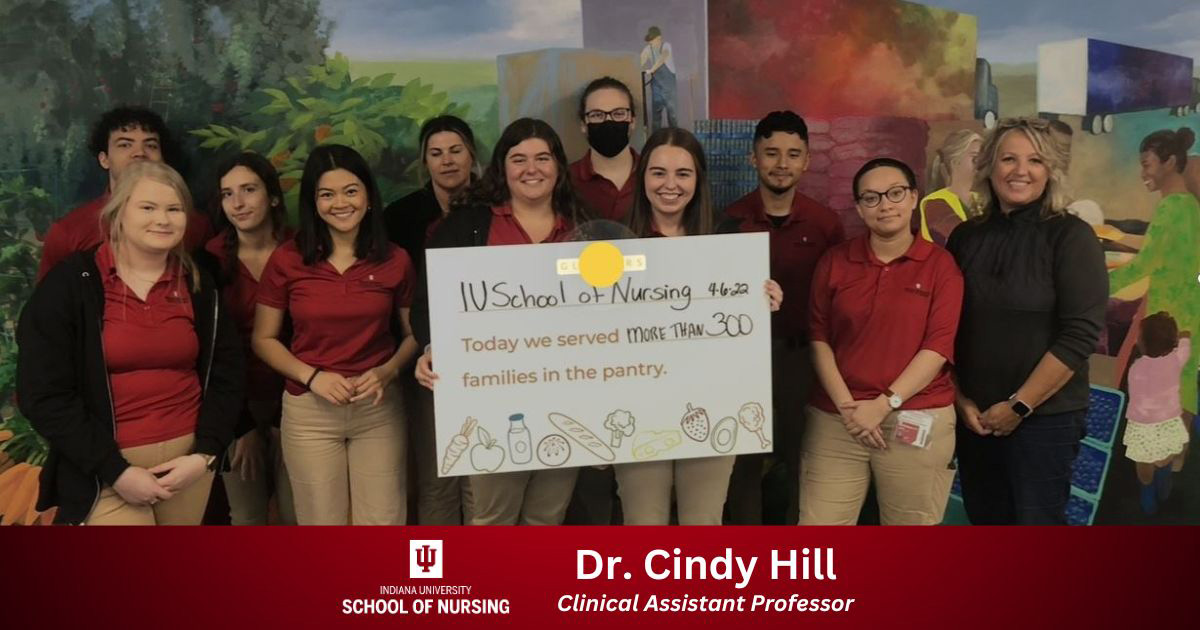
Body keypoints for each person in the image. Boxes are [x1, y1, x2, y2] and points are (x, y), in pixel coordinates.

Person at [17, 161, 243, 525]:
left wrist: (204, 456)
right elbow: (42, 393)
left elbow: (227, 375)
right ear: (118, 212)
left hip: (187, 470)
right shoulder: (72, 284)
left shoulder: (199, 284)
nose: (163, 219)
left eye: (174, 209)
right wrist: (115, 470)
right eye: (148, 207)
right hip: (105, 472)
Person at [412, 118, 590, 525]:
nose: (532, 169)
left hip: (568, 399)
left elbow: (616, 305)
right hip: (492, 399)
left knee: (547, 518)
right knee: (492, 519)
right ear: (501, 167)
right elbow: (427, 302)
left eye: (543, 158)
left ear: (559, 166)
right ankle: (495, 589)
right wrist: (431, 346)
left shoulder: (584, 227)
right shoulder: (465, 225)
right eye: (519, 159)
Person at [948, 118, 1108, 525]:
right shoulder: (965, 237)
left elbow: (1079, 335)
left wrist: (1019, 406)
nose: (1021, 170)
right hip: (975, 420)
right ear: (989, 166)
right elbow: (945, 326)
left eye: (1035, 160)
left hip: (1045, 422)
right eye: (1009, 159)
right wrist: (960, 400)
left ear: (1050, 170)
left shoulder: (1072, 237)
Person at [618, 127, 782, 524]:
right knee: (643, 524)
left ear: (699, 180)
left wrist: (765, 301)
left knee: (703, 524)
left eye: (683, 174)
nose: (670, 185)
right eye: (658, 173)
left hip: (713, 406)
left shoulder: (728, 240)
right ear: (643, 179)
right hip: (638, 411)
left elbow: (741, 328)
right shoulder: (614, 244)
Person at [253, 144, 418, 525]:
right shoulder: (288, 260)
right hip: (310, 411)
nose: (340, 203)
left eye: (351, 191)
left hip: (377, 408)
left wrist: (388, 371)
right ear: (313, 203)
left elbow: (415, 335)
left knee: (382, 522)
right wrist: (313, 377)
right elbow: (263, 339)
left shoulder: (396, 259)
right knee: (322, 525)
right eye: (326, 194)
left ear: (369, 198)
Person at [801, 158, 963, 525]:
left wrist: (884, 404)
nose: (885, 205)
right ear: (858, 207)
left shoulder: (940, 266)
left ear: (912, 198)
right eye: (871, 198)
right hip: (837, 420)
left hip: (916, 416)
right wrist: (848, 407)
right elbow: (818, 336)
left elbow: (938, 346)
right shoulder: (835, 261)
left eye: (894, 194)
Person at [718, 110, 844, 525]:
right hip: (738, 364)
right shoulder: (727, 221)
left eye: (793, 154)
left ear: (807, 160)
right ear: (753, 158)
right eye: (771, 153)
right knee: (742, 466)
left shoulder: (826, 225)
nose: (782, 163)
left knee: (800, 462)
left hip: (800, 361)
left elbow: (835, 301)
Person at [383, 115, 479, 525]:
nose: (447, 161)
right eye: (436, 153)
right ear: (425, 161)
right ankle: (440, 579)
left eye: (456, 151)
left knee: (481, 472)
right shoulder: (401, 216)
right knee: (438, 475)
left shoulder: (496, 210)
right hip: (428, 359)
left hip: (490, 354)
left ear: (472, 154)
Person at [197, 152, 296, 525]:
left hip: (299, 401)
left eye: (248, 190)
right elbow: (208, 353)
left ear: (272, 196)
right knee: (248, 517)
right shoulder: (208, 259)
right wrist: (241, 427)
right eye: (227, 194)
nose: (237, 203)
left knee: (297, 514)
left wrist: (281, 418)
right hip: (236, 405)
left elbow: (315, 336)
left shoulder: (301, 250)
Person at [37, 106, 212, 282]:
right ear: (104, 159)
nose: (140, 153)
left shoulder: (195, 226)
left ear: (163, 158)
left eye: (150, 145)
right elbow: (48, 304)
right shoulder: (69, 233)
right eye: (125, 144)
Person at [1109, 128, 1199, 438]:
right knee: (1183, 391)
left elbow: (1145, 265)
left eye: (1146, 164)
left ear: (1169, 162)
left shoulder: (1170, 208)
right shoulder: (1189, 206)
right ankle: (1173, 465)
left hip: (1168, 313)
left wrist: (1097, 286)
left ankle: (1157, 469)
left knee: (1159, 401)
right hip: (1190, 310)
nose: (1142, 173)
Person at [1121, 312, 1190, 514]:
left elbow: (1135, 394)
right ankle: (1164, 486)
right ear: (1172, 342)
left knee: (1144, 465)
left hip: (1142, 427)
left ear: (1142, 344)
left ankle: (1147, 494)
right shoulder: (1176, 361)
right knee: (1166, 458)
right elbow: (1184, 349)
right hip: (1168, 422)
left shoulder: (1136, 368)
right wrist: (1184, 337)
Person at [569, 76, 640, 223]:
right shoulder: (564, 181)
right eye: (597, 115)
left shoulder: (655, 176)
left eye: (619, 113)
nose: (608, 121)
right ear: (583, 124)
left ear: (633, 121)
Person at [919, 129, 981, 246]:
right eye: (975, 159)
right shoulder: (934, 203)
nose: (982, 164)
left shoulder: (981, 199)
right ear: (955, 162)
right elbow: (960, 241)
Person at [640, 26, 678, 130]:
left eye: (653, 40)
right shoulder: (648, 49)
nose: (651, 42)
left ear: (659, 38)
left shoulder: (666, 46)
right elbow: (641, 61)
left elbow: (663, 57)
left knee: (672, 114)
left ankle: (674, 138)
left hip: (669, 85)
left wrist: (652, 69)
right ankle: (655, 139)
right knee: (656, 115)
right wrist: (640, 64)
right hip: (656, 85)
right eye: (650, 40)